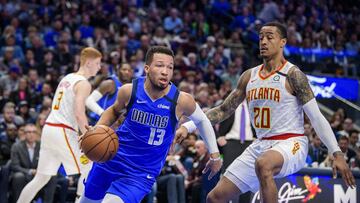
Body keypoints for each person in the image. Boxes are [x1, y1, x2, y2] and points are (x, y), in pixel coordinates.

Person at [176, 22, 355, 203]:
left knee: (264, 164)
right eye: (261, 37)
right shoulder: (249, 76)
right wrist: (188, 126)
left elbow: (316, 117)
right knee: (215, 198)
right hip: (261, 145)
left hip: (292, 142)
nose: (263, 42)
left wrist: (336, 153)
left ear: (282, 42)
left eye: (270, 37)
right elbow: (223, 110)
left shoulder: (293, 75)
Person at [79, 46, 222, 203]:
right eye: (160, 65)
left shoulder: (181, 100)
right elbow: (113, 111)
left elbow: (202, 120)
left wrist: (215, 154)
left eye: (170, 67)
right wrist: (96, 130)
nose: (165, 71)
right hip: (111, 159)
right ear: (147, 68)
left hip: (140, 173)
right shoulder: (129, 91)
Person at [16, 47, 102, 203]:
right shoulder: (83, 83)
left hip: (49, 129)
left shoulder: (67, 77)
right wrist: (87, 134)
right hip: (63, 130)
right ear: (89, 63)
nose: (99, 67)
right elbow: (78, 111)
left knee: (41, 178)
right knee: (89, 167)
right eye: (97, 63)